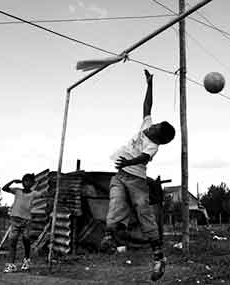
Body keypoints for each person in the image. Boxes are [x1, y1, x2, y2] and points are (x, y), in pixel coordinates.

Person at [101, 69, 175, 281]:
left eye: (155, 130)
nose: (151, 129)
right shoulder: (146, 126)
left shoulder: (153, 146)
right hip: (120, 175)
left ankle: (158, 256)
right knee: (115, 203)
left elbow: (143, 158)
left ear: (159, 139)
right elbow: (147, 106)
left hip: (137, 180)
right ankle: (109, 237)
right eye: (154, 126)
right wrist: (150, 85)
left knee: (143, 211)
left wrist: (128, 161)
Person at [2, 173, 47, 273]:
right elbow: (4, 188)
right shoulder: (17, 191)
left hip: (26, 221)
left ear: (32, 183)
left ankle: (26, 260)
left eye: (29, 181)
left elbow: (44, 195)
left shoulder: (33, 193)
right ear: (22, 182)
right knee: (12, 242)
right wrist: (13, 181)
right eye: (25, 181)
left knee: (26, 240)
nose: (27, 183)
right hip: (15, 220)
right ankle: (11, 264)